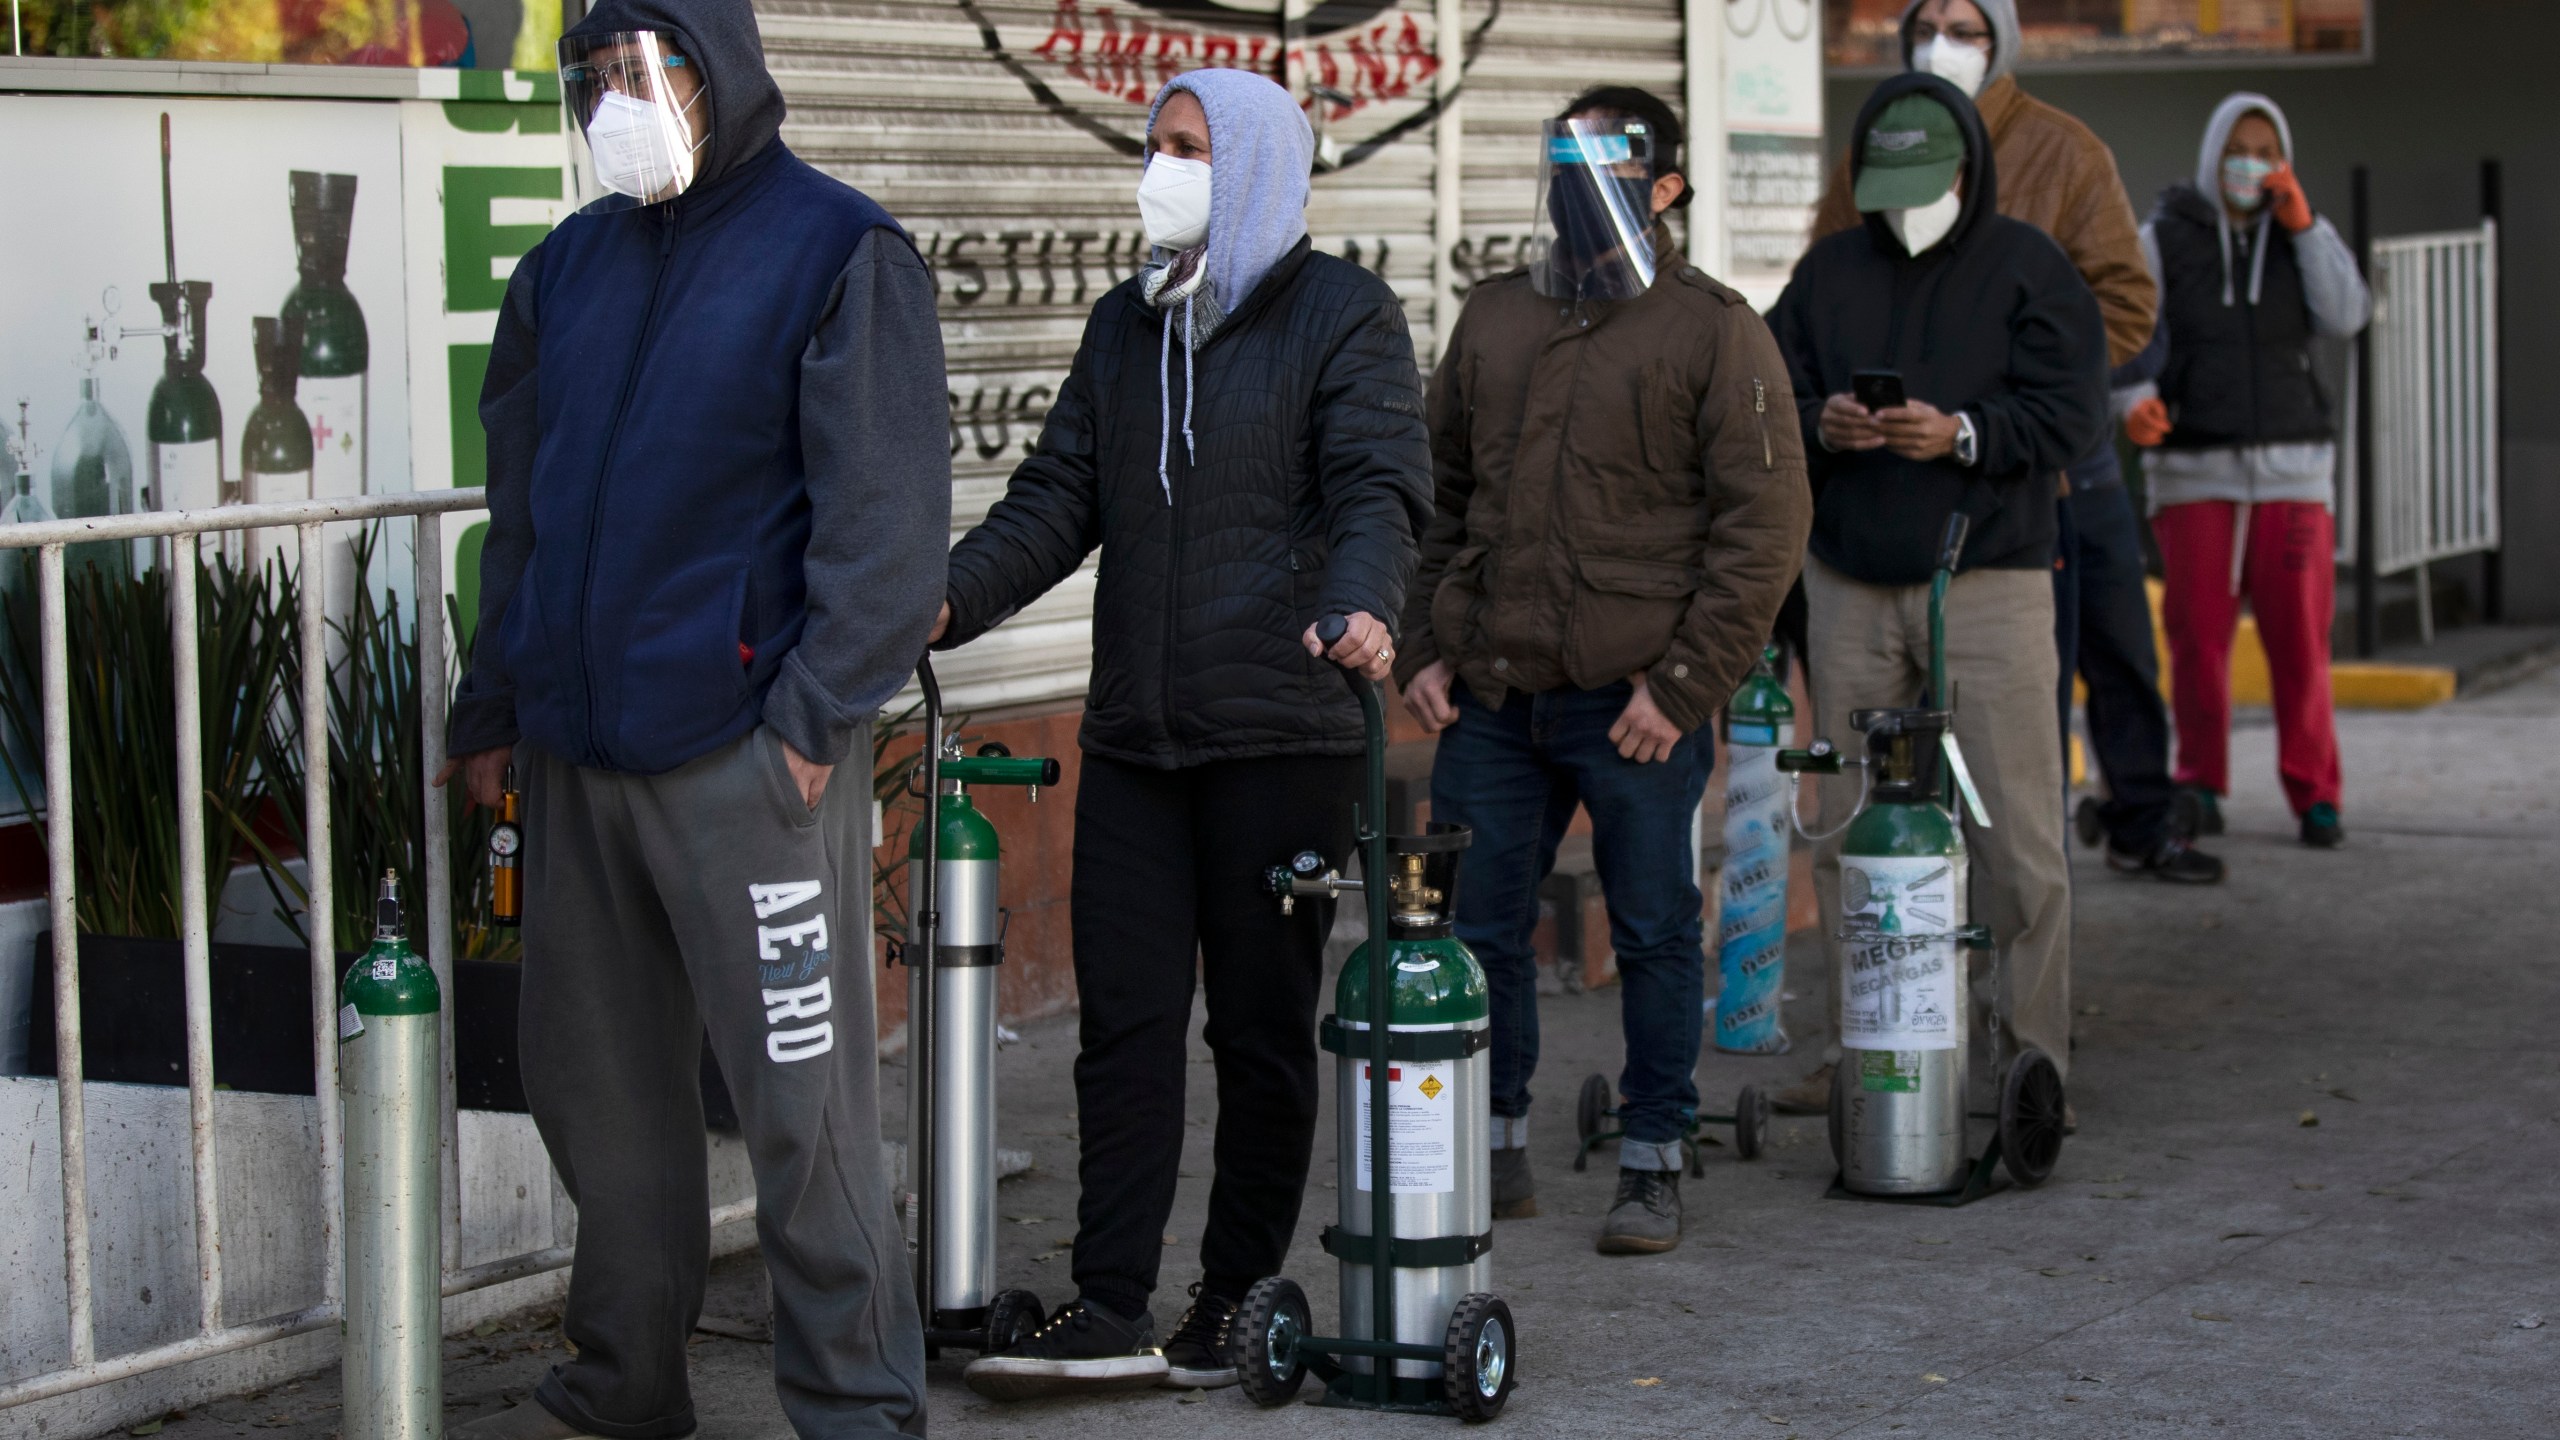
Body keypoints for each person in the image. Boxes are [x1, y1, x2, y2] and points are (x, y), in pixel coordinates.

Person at [434, 1, 949, 1436]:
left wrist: (808, 719)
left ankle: (853, 1406)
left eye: (642, 71)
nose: (617, 100)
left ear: (718, 71)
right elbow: (519, 521)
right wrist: (497, 703)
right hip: (577, 748)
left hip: (747, 753)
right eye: (591, 77)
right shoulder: (565, 270)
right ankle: (621, 1388)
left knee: (805, 1113)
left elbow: (889, 530)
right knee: (601, 1103)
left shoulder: (838, 252)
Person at [930, 69, 1429, 1399]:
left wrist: (1365, 603)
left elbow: (1381, 485)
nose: (1162, 168)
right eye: (1155, 146)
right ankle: (1107, 1303)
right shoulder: (1124, 325)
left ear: (1256, 164)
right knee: (1125, 1028)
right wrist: (945, 598)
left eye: (1189, 149)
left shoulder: (1344, 317)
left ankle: (1230, 1300)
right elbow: (1054, 501)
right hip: (1142, 745)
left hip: (1284, 734)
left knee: (1261, 1033)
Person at [1395, 86, 1809, 1255]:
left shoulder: (1712, 328)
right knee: (1477, 930)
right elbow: (1436, 497)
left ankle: (1651, 1160)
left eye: (1607, 166)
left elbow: (1762, 528)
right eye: (1560, 159)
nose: (1576, 185)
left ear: (1664, 188)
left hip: (1633, 704)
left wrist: (1681, 689)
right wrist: (1422, 645)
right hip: (1492, 696)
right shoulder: (1494, 317)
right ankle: (1492, 1150)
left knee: (1654, 933)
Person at [1769, 75, 2106, 1132]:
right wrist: (1823, 422)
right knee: (1848, 834)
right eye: (1891, 184)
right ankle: (1860, 1047)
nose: (1909, 204)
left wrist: (1962, 433)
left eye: (1930, 182)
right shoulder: (1826, 270)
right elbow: (1767, 386)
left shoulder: (2029, 269)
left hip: (1989, 577)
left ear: (1970, 169)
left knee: (2014, 834)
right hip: (1849, 580)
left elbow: (2070, 415)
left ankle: (2029, 1060)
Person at [2126, 93, 2368, 849]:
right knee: (2198, 639)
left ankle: (2315, 793)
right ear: (2212, 154)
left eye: (2267, 150)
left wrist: (2306, 227)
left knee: (2301, 640)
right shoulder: (2162, 238)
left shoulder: (2302, 235)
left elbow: (2348, 313)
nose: (2252, 164)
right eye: (2240, 148)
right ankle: (2199, 782)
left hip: (2294, 470)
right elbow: (2131, 332)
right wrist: (2133, 400)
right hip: (2195, 468)